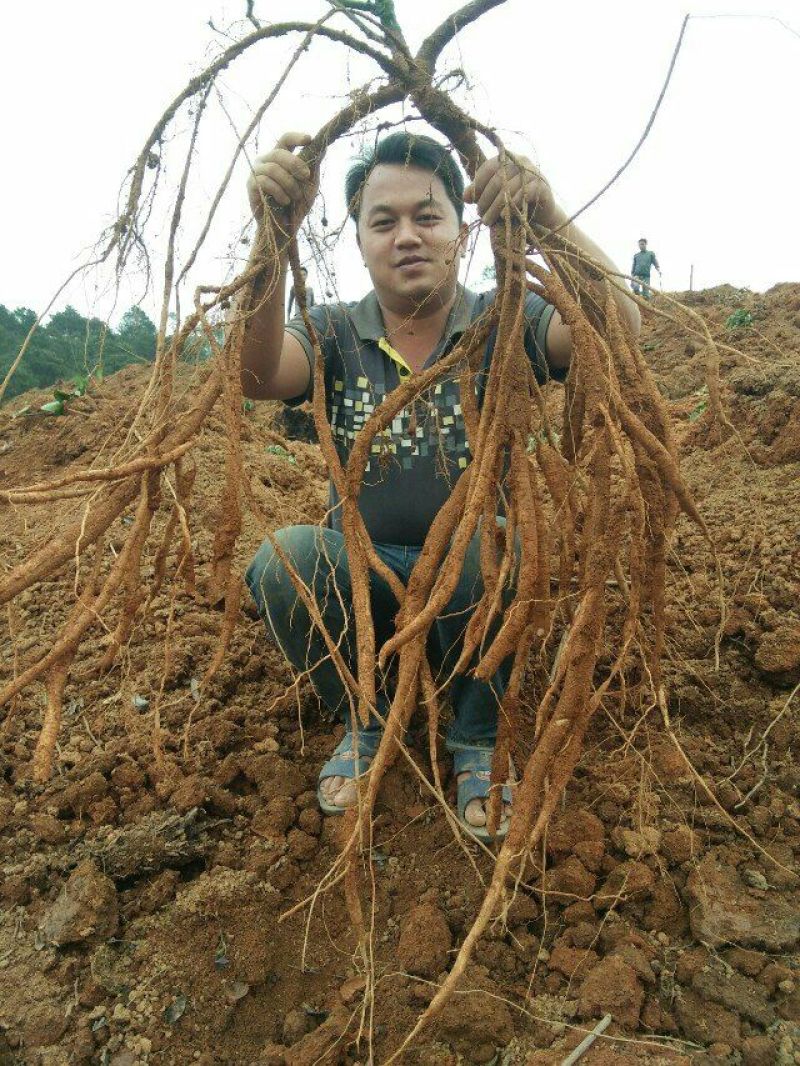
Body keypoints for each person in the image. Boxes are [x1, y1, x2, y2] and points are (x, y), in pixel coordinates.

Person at [241, 129, 640, 839]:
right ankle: (368, 714)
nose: (407, 237)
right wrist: (271, 239)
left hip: (481, 582)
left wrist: (545, 216)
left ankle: (477, 732)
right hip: (367, 583)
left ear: (463, 228)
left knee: (508, 544)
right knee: (285, 561)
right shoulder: (331, 332)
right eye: (382, 221)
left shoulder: (506, 319)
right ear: (359, 240)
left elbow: (619, 331)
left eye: (428, 217)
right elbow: (254, 374)